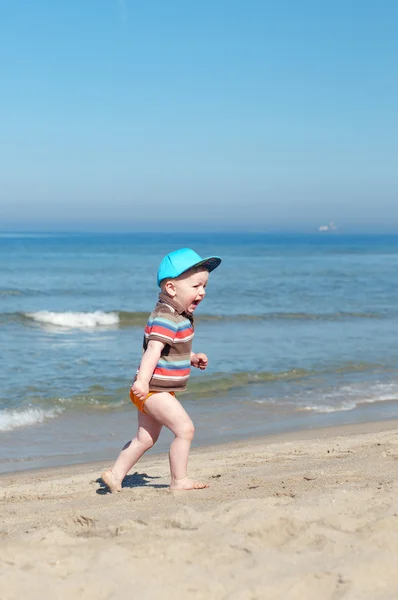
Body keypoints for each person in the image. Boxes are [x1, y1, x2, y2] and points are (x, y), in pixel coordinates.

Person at [101, 248, 221, 492]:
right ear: (171, 288)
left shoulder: (178, 315)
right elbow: (153, 351)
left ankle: (115, 474)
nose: (203, 292)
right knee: (185, 430)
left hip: (154, 389)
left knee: (145, 439)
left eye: (205, 286)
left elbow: (171, 352)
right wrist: (143, 382)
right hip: (153, 390)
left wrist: (192, 358)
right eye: (196, 286)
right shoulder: (166, 317)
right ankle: (179, 480)